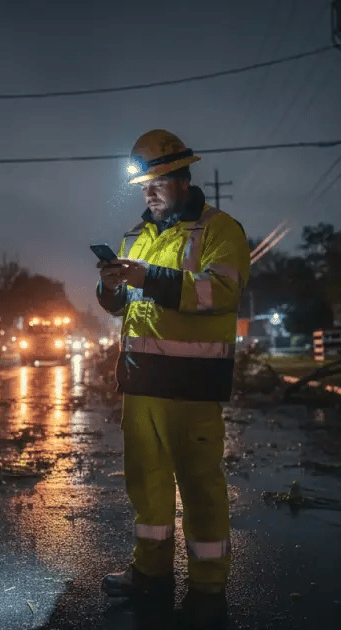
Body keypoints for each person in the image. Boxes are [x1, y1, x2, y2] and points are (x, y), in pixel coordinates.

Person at [95, 129, 250, 626]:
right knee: (148, 486)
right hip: (141, 387)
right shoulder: (135, 237)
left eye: (159, 181)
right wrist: (110, 286)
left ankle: (207, 589)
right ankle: (150, 575)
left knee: (201, 486)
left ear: (183, 178)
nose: (150, 192)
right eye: (145, 184)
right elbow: (122, 307)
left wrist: (147, 278)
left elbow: (219, 293)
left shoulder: (220, 230)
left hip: (193, 386)